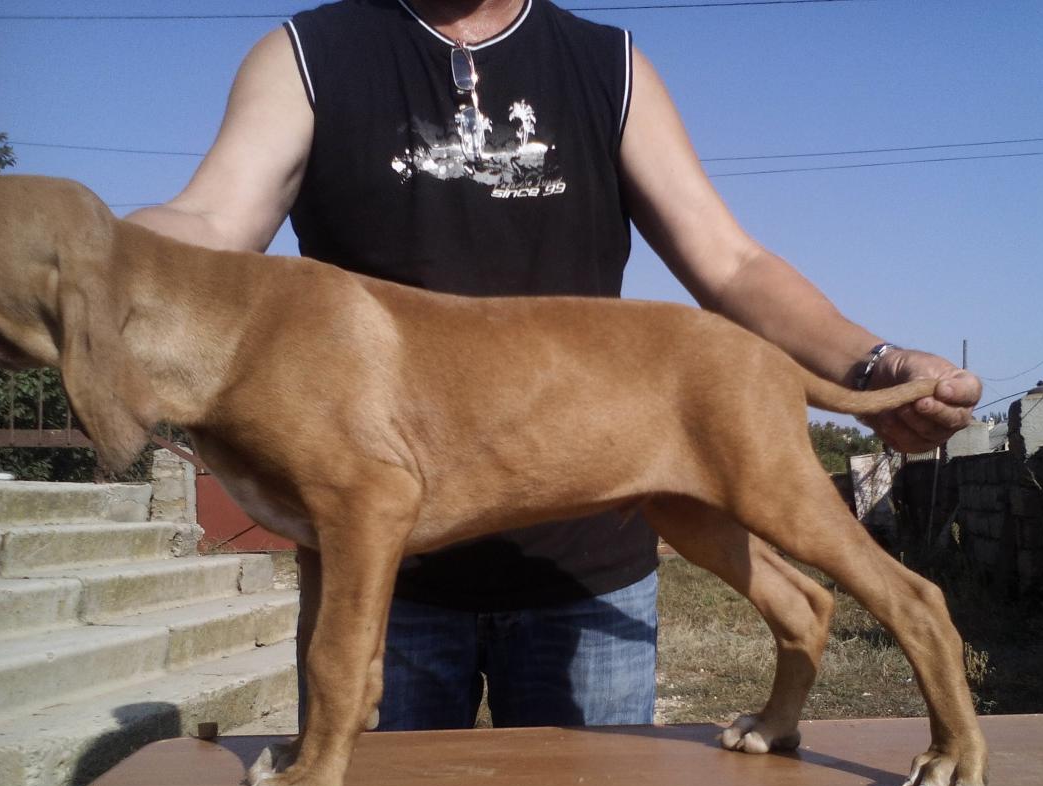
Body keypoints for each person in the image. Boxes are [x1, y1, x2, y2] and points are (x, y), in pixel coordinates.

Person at [128, 0, 980, 732]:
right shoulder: (308, 53)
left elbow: (731, 263)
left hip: (587, 565)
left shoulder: (607, 63)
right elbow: (209, 222)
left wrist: (871, 366)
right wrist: (102, 257)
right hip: (385, 571)